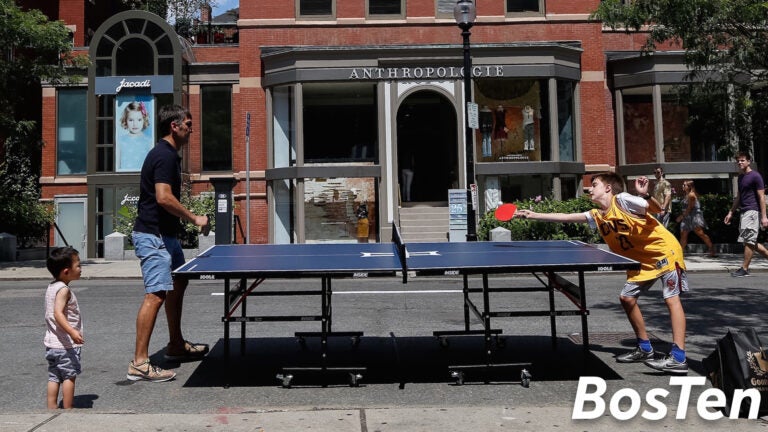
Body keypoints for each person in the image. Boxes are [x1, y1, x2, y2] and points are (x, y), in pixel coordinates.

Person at [515, 172, 689, 374]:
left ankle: (678, 357)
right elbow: (566, 218)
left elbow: (657, 210)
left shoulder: (622, 200)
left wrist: (645, 195)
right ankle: (644, 348)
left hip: (664, 252)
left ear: (608, 188)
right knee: (626, 298)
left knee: (671, 299)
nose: (590, 189)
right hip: (641, 262)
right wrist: (533, 215)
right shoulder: (597, 215)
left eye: (594, 184)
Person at [129, 104, 210, 382]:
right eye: (188, 124)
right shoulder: (163, 156)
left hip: (167, 236)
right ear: (174, 126)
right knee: (156, 294)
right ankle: (139, 362)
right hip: (153, 236)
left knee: (178, 283)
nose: (191, 128)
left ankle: (175, 344)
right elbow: (163, 197)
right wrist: (194, 218)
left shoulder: (168, 155)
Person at [44, 246, 84, 409]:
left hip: (52, 344)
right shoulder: (63, 290)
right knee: (69, 376)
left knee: (54, 377)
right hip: (65, 345)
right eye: (78, 266)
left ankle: (51, 408)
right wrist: (73, 332)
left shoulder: (52, 286)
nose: (81, 269)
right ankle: (67, 410)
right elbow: (57, 313)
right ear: (66, 271)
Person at [724, 151, 768, 277]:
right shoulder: (741, 177)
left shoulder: (756, 176)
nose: (740, 162)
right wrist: (730, 212)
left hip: (752, 211)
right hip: (744, 212)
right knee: (750, 241)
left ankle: (744, 269)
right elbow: (738, 197)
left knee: (748, 240)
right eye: (738, 160)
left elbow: (761, 197)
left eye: (742, 160)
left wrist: (764, 217)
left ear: (749, 161)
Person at [676, 180, 716, 257]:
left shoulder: (691, 195)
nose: (683, 186)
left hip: (694, 217)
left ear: (689, 187)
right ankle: (680, 252)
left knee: (701, 234)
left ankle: (711, 248)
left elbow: (690, 208)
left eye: (684, 185)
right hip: (687, 217)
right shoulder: (686, 195)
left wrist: (681, 217)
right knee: (683, 234)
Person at [118, 101, 154, 171]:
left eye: (139, 120)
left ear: (144, 120)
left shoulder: (149, 141)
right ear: (125, 120)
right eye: (131, 120)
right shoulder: (120, 141)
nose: (135, 124)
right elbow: (117, 165)